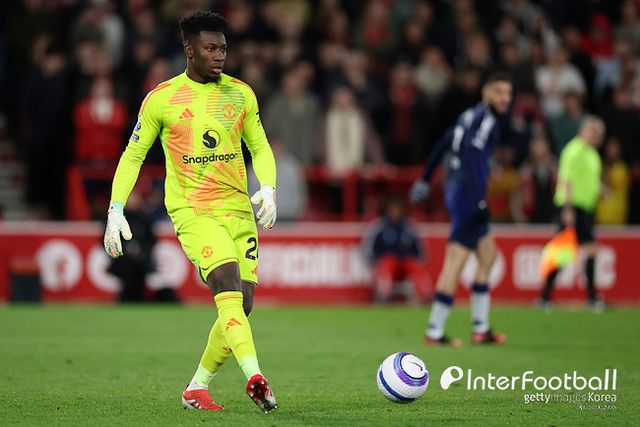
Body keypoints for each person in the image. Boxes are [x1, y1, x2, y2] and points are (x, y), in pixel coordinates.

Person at [102, 12, 278, 413]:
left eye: (223, 48)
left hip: (239, 210)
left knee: (243, 303)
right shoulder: (163, 98)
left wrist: (268, 187)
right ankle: (255, 377)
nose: (219, 55)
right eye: (210, 48)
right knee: (227, 284)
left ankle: (196, 388)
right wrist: (116, 207)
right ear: (189, 50)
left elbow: (260, 146)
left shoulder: (241, 94)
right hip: (195, 210)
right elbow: (133, 155)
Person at [409, 72, 513, 346]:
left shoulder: (468, 116)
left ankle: (481, 328)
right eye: (499, 92)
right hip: (468, 194)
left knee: (487, 255)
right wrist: (479, 200)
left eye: (508, 93)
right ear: (486, 93)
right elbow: (473, 159)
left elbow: (443, 143)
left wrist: (425, 178)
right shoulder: (486, 120)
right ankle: (435, 330)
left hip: (457, 189)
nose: (505, 98)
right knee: (455, 263)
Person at [538, 116, 606, 310]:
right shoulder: (573, 150)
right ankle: (548, 297)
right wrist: (568, 209)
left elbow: (590, 179)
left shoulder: (592, 153)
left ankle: (548, 297)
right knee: (565, 249)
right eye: (595, 133)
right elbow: (566, 179)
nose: (598, 137)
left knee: (577, 249)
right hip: (572, 207)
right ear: (585, 130)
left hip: (585, 208)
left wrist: (602, 190)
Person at [362, 196, 430, 304]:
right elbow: (369, 250)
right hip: (389, 264)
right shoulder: (379, 228)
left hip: (406, 264)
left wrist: (416, 261)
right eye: (392, 209)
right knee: (387, 263)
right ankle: (383, 295)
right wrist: (375, 262)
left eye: (397, 209)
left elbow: (421, 251)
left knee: (414, 265)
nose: (395, 212)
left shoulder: (410, 228)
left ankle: (425, 295)